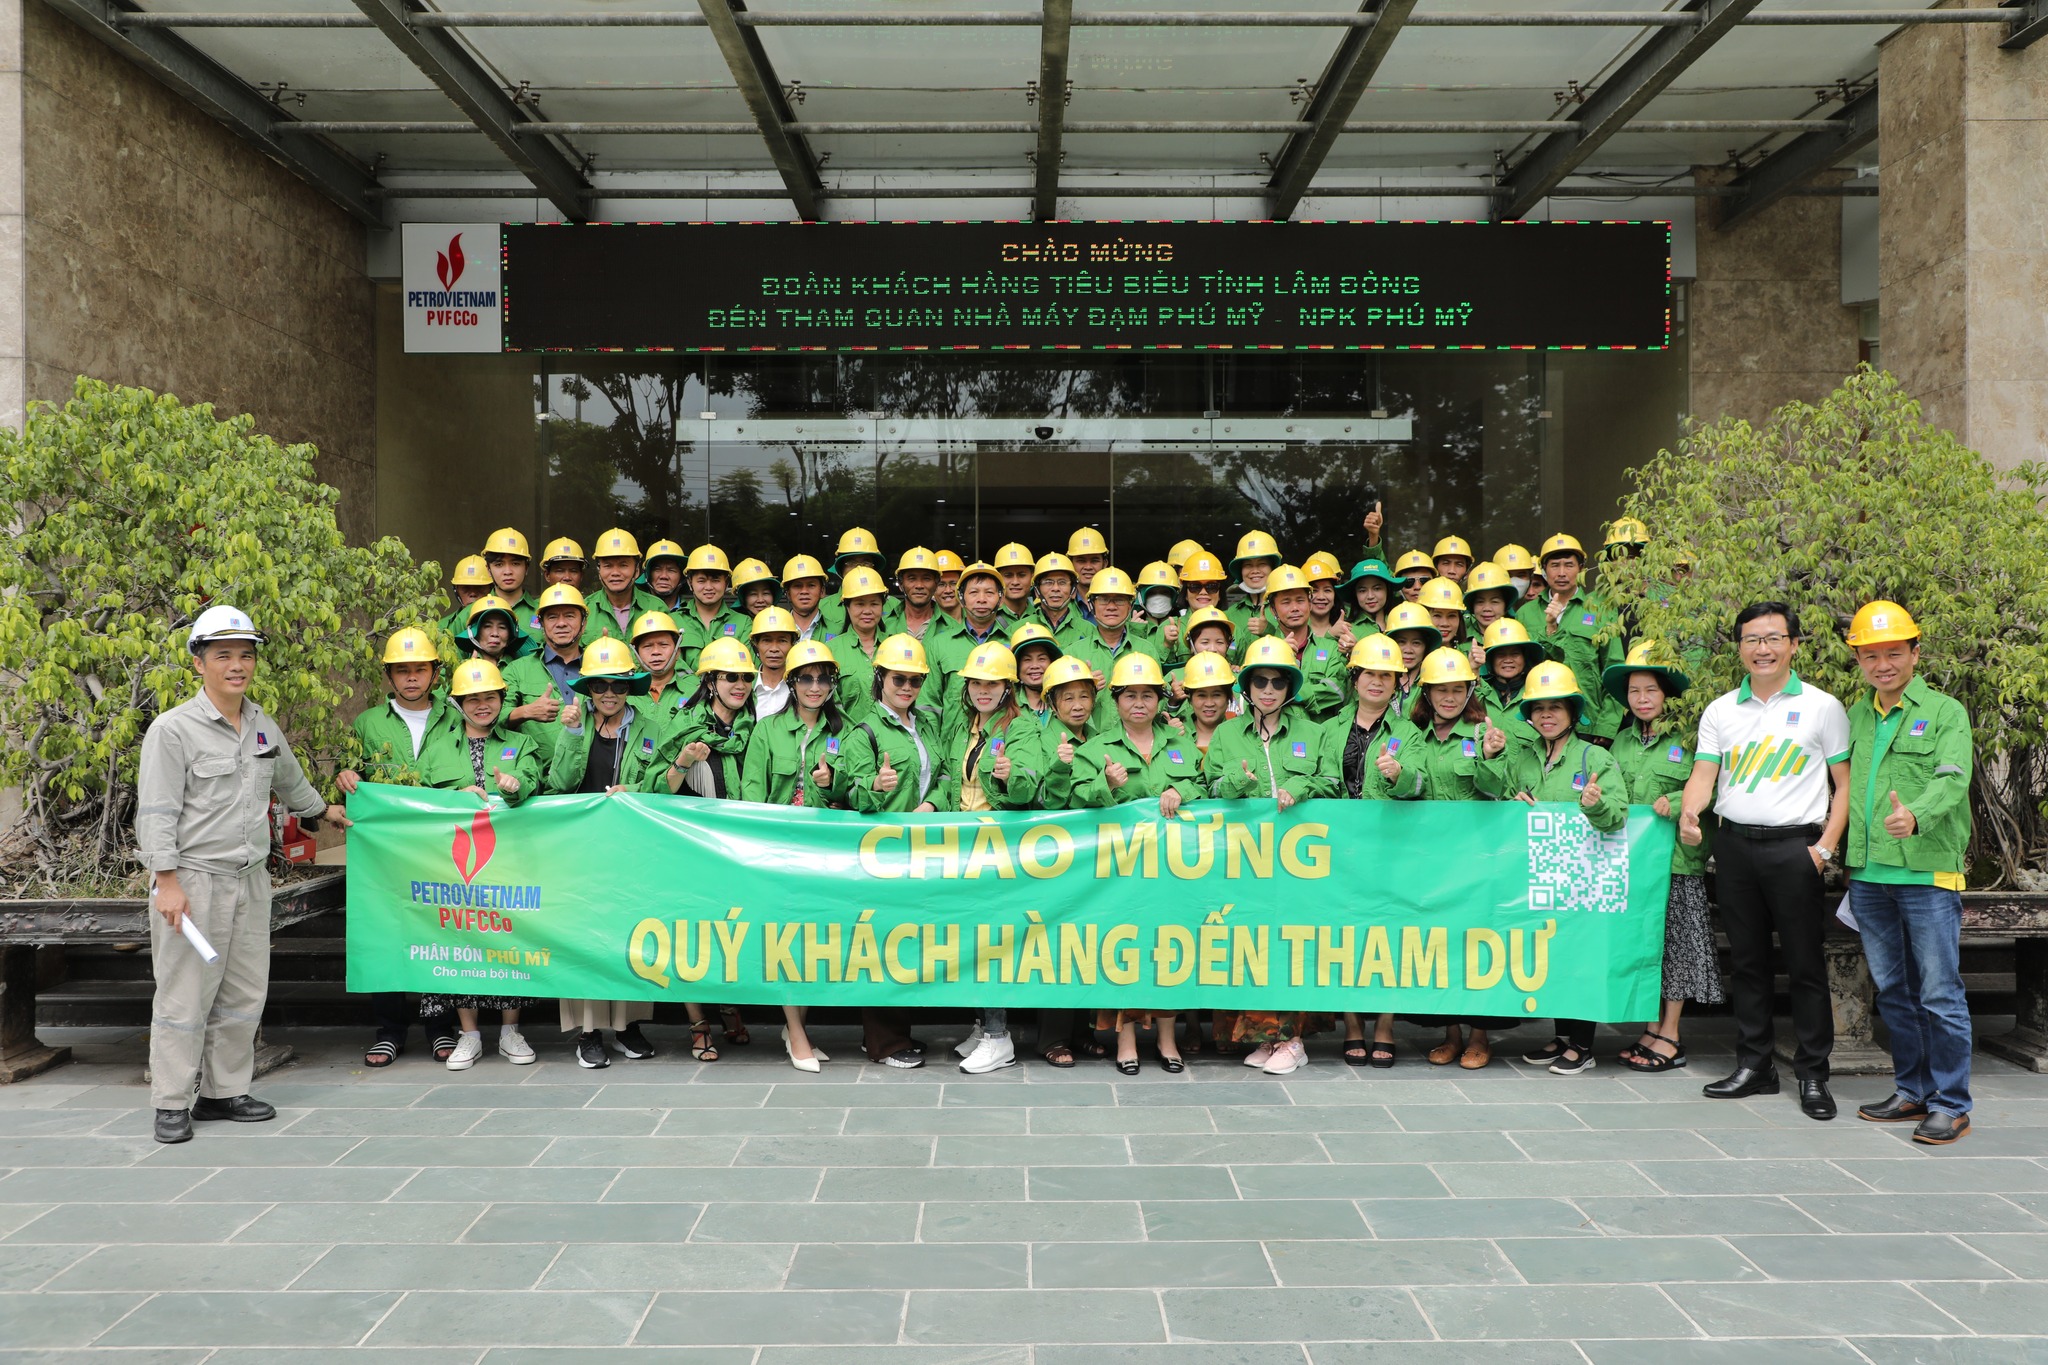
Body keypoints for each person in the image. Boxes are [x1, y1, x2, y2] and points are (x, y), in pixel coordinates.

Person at [137, 607, 352, 1143]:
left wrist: (325, 812)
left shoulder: (261, 724)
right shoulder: (172, 730)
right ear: (199, 662)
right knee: (185, 995)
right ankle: (171, 1100)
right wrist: (166, 881)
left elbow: (291, 781)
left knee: (243, 992)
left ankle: (222, 1092)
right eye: (224, 655)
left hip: (251, 879)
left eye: (246, 655)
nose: (238, 666)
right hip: (193, 880)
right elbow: (157, 812)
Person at [1678, 601, 1851, 1121]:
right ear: (1739, 648)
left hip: (1795, 850)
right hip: (1733, 849)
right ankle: (1755, 1065)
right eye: (1752, 639)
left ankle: (1814, 1074)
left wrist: (1824, 849)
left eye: (1774, 638)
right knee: (1748, 963)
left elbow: (1842, 788)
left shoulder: (1824, 707)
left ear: (1794, 645)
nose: (1763, 648)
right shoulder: (1720, 710)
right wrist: (1691, 812)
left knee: (1804, 966)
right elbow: (1705, 775)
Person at [1841, 601, 1975, 1144]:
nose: (1883, 664)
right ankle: (1912, 1091)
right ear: (1859, 660)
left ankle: (1952, 1102)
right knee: (1894, 990)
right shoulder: (1856, 714)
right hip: (1869, 876)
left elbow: (1953, 777)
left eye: (1894, 652)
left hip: (1926, 873)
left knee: (1940, 992)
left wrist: (1914, 814)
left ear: (1915, 653)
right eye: (1870, 655)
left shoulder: (1946, 712)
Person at [336, 626, 464, 1068]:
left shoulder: (456, 717)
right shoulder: (368, 723)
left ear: (435, 673)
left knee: (440, 934)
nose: (412, 678)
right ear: (389, 676)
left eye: (420, 669)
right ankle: (390, 1030)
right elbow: (347, 774)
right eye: (402, 670)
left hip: (441, 850)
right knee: (386, 934)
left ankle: (441, 1028)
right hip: (385, 855)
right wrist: (345, 777)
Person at [1208, 637, 1331, 1075]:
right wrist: (1239, 785)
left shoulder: (1314, 732)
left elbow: (1332, 782)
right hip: (1244, 859)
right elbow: (1212, 788)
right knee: (1252, 945)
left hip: (1299, 862)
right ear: (1247, 685)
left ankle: (1293, 1040)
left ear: (1290, 687)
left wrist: (1299, 788)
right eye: (1260, 681)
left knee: (1290, 945)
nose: (1268, 689)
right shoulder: (1225, 733)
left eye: (1278, 682)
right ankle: (1266, 1035)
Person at [1499, 663, 1629, 1076]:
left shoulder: (1596, 757)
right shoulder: (1524, 758)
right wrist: (1514, 805)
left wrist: (1595, 805)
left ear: (1573, 712)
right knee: (1550, 953)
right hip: (1540, 873)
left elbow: (1617, 818)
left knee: (1578, 955)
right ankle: (1562, 1036)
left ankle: (1584, 1044)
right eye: (1538, 709)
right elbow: (1505, 804)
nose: (1547, 715)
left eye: (1556, 707)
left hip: (1585, 875)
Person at [1602, 640, 1721, 1076]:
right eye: (1634, 691)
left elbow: (1714, 782)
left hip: (1677, 862)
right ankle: (1652, 1027)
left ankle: (1671, 1033)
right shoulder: (1619, 744)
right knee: (1647, 947)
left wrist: (1676, 797)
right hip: (1633, 866)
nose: (1643, 699)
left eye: (1651, 690)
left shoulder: (1690, 739)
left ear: (1666, 693)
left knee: (1678, 949)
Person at [544, 636, 663, 1068]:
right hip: (583, 852)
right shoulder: (575, 722)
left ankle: (628, 1025)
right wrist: (572, 733)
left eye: (616, 684)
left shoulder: (651, 727)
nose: (608, 694)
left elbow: (663, 784)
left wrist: (635, 790)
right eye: (599, 686)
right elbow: (560, 782)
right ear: (587, 689)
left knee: (632, 933)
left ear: (630, 686)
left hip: (633, 851)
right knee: (588, 938)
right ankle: (590, 1032)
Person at [425, 656, 543, 1073]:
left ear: (501, 698)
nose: (481, 705)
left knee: (508, 940)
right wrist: (457, 793)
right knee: (459, 941)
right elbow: (419, 796)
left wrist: (515, 786)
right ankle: (469, 1034)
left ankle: (511, 1032)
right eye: (472, 699)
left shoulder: (522, 742)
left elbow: (532, 778)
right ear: (458, 702)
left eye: (489, 697)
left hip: (508, 860)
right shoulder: (437, 747)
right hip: (453, 864)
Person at [647, 636, 762, 1062]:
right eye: (730, 677)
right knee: (692, 938)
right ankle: (699, 1025)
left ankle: (731, 1005)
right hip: (693, 853)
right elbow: (657, 789)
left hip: (738, 851)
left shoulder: (755, 727)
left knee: (733, 934)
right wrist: (683, 761)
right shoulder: (684, 725)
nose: (740, 684)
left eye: (746, 677)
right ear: (710, 681)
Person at [1073, 653, 1187, 1075]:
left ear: (1159, 699)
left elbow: (1200, 781)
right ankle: (1125, 1039)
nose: (1139, 703)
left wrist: (1180, 789)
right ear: (1116, 700)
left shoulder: (1180, 742)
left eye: (1148, 695)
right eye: (1129, 695)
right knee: (1125, 949)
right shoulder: (1096, 748)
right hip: (1119, 873)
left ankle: (1167, 1039)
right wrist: (1107, 783)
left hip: (1174, 872)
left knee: (1171, 948)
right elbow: (1079, 795)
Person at [738, 637, 847, 1072]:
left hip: (824, 853)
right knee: (785, 942)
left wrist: (828, 783)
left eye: (823, 679)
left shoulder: (846, 731)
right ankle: (797, 1033)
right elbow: (751, 794)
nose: (815, 687)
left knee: (815, 943)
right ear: (792, 682)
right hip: (779, 850)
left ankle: (795, 1027)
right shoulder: (767, 729)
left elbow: (851, 793)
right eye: (806, 678)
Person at [839, 634, 944, 1069]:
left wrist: (931, 804)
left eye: (915, 681)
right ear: (879, 677)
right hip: (884, 854)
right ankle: (882, 1042)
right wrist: (875, 788)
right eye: (899, 679)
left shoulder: (927, 723)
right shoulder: (863, 732)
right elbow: (851, 793)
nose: (907, 687)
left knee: (911, 944)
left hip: (922, 849)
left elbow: (945, 774)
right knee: (883, 946)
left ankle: (900, 1034)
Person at [1319, 633, 1424, 1067]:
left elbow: (1420, 785)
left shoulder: (1408, 732)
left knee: (1388, 937)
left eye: (1386, 675)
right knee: (1342, 938)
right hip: (1340, 851)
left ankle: (1383, 1025)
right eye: (1369, 674)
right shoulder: (1328, 728)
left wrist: (1399, 775)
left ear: (1398, 682)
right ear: (1355, 677)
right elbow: (1321, 782)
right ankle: (1353, 1026)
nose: (1376, 682)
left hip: (1388, 851)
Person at [1405, 646, 1510, 1069]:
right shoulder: (1413, 735)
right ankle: (1450, 1034)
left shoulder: (1485, 732)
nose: (1449, 697)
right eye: (1441, 690)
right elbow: (1407, 790)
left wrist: (1488, 758)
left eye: (1458, 689)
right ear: (1426, 694)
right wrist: (1396, 775)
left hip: (1476, 860)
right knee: (1439, 947)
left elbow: (1495, 790)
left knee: (1477, 946)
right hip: (1428, 861)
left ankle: (1480, 1035)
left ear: (1470, 692)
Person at [935, 642, 1035, 1075]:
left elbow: (1029, 784)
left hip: (997, 849)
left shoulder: (1023, 727)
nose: (982, 689)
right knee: (969, 940)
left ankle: (999, 1037)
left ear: (1008, 687)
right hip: (962, 846)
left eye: (992, 682)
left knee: (990, 943)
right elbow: (946, 776)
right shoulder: (965, 726)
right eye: (976, 681)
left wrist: (1013, 779)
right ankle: (982, 1024)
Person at [1026, 654, 1108, 1069]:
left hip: (1089, 856)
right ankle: (1052, 1038)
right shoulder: (1042, 738)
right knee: (1055, 945)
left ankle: (1082, 1032)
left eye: (1084, 697)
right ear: (1052, 703)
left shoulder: (1097, 736)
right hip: (1054, 856)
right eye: (1068, 698)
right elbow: (1048, 798)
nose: (1077, 705)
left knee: (1086, 943)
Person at [1515, 533, 1624, 743]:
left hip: (1589, 723)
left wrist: (1606, 727)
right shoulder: (1525, 614)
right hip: (1538, 723)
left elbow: (1614, 670)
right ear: (1544, 570)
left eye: (1569, 565)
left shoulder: (1601, 608)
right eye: (1555, 565)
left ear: (1581, 568)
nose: (1562, 573)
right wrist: (1550, 629)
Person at [1253, 564, 1347, 722]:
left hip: (1319, 741)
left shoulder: (1331, 649)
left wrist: (1286, 690)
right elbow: (1256, 696)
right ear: (1273, 610)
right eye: (1286, 602)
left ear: (1310, 604)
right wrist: (1279, 656)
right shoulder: (1260, 651)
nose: (1295, 608)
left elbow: (1337, 691)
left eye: (1300, 600)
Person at [923, 560, 1011, 710]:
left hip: (1004, 733)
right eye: (973, 592)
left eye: (989, 593)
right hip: (954, 734)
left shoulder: (1014, 640)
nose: (981, 599)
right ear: (961, 599)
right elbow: (928, 704)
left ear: (1001, 599)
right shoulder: (938, 645)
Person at [826, 565, 892, 721]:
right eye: (860, 604)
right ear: (847, 606)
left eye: (874, 603)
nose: (867, 611)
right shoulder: (830, 652)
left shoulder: (895, 646)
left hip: (891, 741)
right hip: (847, 740)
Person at [585, 528, 667, 643]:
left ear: (637, 570)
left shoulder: (656, 607)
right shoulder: (585, 610)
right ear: (599, 571)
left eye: (623, 565)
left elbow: (673, 657)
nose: (615, 573)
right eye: (608, 566)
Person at [676, 544, 748, 673]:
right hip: (687, 692)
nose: (708, 587)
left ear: (726, 583)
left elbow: (748, 669)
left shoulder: (744, 623)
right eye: (701, 581)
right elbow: (674, 669)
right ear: (689, 583)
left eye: (715, 580)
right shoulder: (673, 621)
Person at [819, 526, 888, 635]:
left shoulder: (895, 607)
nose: (858, 568)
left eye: (866, 562)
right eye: (851, 562)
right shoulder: (821, 608)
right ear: (841, 568)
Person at [630, 610, 689, 734]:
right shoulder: (623, 693)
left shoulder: (695, 692)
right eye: (647, 646)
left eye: (663, 645)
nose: (656, 651)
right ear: (636, 654)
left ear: (677, 651)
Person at [481, 527, 544, 643]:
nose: (508, 571)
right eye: (499, 565)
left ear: (526, 567)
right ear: (488, 569)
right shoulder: (471, 613)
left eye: (515, 564)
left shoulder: (543, 612)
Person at [1462, 561, 1520, 670]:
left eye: (1495, 602)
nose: (1487, 609)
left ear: (1506, 605)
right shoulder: (1461, 635)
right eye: (1480, 602)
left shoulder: (1519, 633)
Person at [1225, 530, 1282, 632]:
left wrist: (1268, 630)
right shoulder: (1229, 615)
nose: (1255, 571)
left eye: (1262, 564)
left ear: (1273, 569)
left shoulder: (1287, 609)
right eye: (1248, 565)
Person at [749, 606, 800, 719]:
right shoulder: (744, 686)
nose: (774, 648)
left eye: (782, 641)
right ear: (756, 644)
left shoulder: (803, 687)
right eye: (767, 641)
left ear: (793, 644)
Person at [1028, 552, 1087, 643]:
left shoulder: (1089, 630)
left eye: (1062, 582)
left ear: (1074, 591)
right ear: (1036, 591)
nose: (1055, 588)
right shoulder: (1018, 628)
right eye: (1048, 582)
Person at [1337, 557, 1402, 634]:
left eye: (1377, 589)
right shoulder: (1347, 630)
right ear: (1355, 594)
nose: (1370, 596)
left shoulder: (1401, 624)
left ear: (1388, 590)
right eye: (1362, 591)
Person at [892, 547, 944, 639]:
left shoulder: (952, 627)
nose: (919, 585)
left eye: (926, 578)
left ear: (936, 584)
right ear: (900, 584)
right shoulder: (884, 625)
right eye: (912, 579)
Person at [439, 555, 494, 637]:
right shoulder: (442, 627)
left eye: (479, 587)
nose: (473, 594)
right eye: (465, 588)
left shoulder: (505, 622)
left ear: (491, 588)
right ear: (456, 590)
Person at [781, 554, 830, 639]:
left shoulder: (838, 630)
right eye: (797, 586)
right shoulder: (776, 629)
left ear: (822, 591)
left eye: (811, 585)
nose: (804, 591)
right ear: (788, 593)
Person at [992, 541, 1037, 621]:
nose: (1015, 582)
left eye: (1022, 575)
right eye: (1008, 575)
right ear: (998, 579)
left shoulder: (1042, 616)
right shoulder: (987, 615)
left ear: (1032, 577)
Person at [641, 538, 689, 611]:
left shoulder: (692, 611)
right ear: (647, 574)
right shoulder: (635, 610)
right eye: (657, 569)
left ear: (682, 576)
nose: (664, 576)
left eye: (671, 570)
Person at [1068, 527, 1110, 594]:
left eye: (1094, 561)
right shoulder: (1061, 600)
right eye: (1081, 561)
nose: (1088, 567)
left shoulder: (1120, 597)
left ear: (1105, 564)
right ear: (1071, 564)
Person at [932, 548, 966, 619]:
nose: (948, 590)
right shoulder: (924, 625)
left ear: (962, 586)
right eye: (941, 584)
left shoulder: (976, 620)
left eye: (953, 583)